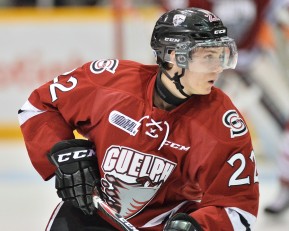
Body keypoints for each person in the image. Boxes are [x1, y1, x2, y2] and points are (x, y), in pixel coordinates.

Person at [18, 7, 259, 231]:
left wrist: (197, 226)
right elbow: (38, 106)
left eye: (221, 56)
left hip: (164, 225)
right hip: (90, 213)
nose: (218, 68)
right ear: (174, 56)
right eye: (208, 57)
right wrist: (63, 153)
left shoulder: (223, 125)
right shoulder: (109, 81)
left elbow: (239, 207)